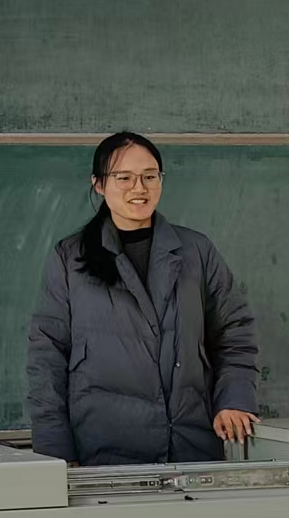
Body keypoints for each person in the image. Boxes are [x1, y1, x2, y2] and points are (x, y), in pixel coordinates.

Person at [26, 132, 260, 466]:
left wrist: (234, 399)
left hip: (190, 447)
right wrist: (55, 453)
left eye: (150, 176)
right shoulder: (70, 258)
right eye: (124, 178)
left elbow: (234, 333)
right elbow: (46, 358)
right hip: (103, 452)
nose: (139, 188)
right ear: (99, 184)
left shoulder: (196, 251)